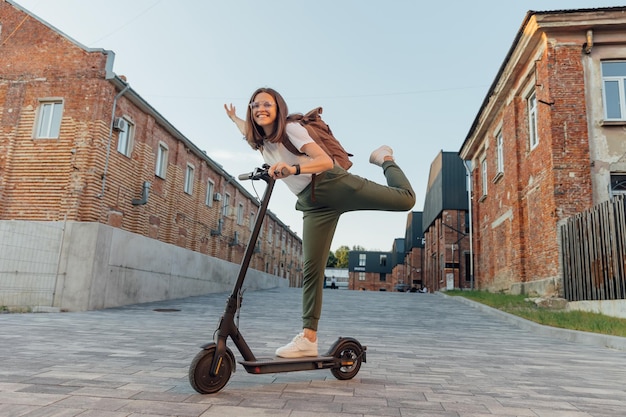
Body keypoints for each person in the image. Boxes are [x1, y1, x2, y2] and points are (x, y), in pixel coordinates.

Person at [224, 87, 415, 358]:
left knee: (406, 200)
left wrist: (293, 169)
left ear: (279, 108)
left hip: (334, 185)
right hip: (313, 203)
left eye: (267, 104)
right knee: (311, 268)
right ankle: (308, 338)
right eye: (254, 106)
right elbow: (246, 130)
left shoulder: (291, 130)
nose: (260, 109)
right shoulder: (260, 142)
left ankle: (385, 158)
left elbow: (324, 161)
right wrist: (233, 118)